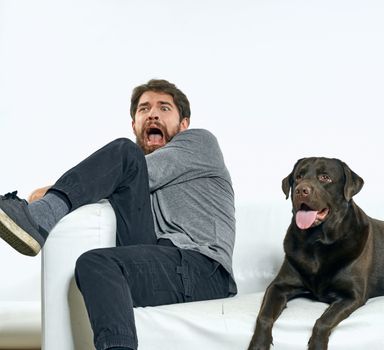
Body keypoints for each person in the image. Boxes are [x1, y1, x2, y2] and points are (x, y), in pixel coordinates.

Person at [0, 79, 237, 350]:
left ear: (184, 124)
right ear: (135, 124)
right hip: (160, 258)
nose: (153, 114)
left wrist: (52, 192)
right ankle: (40, 217)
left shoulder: (200, 142)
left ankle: (40, 217)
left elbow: (131, 169)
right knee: (93, 265)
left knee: (124, 153)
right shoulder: (133, 178)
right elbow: (106, 180)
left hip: (204, 268)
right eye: (144, 109)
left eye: (164, 108)